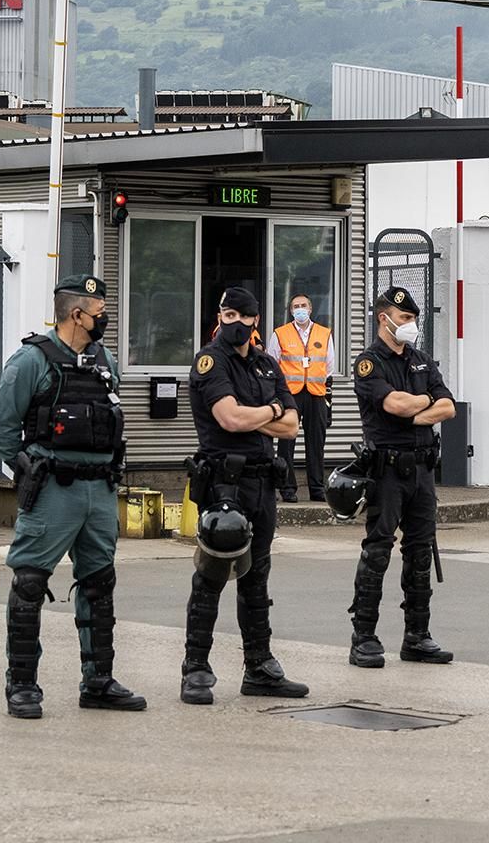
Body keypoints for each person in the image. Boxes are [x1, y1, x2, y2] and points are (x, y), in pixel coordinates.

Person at [0, 274, 145, 720]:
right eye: (99, 312)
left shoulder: (104, 360)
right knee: (30, 583)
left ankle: (98, 681)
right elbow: (3, 434)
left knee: (99, 583)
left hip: (99, 488)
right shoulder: (31, 361)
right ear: (76, 314)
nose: (104, 319)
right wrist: (29, 473)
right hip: (53, 489)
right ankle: (21, 685)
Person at [181, 286, 309, 705]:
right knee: (213, 575)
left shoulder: (267, 364)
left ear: (256, 319)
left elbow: (293, 426)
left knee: (257, 578)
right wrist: (270, 412)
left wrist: (267, 416)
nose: (233, 322)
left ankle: (260, 667)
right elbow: (230, 418)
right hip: (223, 485)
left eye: (241, 315)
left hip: (262, 483)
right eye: (226, 314)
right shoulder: (209, 361)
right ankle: (196, 668)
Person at [348, 286, 458, 669]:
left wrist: (415, 410)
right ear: (385, 318)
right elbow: (392, 403)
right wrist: (420, 403)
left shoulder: (421, 360)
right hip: (388, 471)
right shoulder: (369, 363)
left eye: (413, 318)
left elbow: (448, 406)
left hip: (423, 470)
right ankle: (364, 637)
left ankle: (417, 636)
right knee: (378, 551)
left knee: (420, 552)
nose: (411, 325)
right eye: (406, 318)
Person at [271, 294, 335, 504]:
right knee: (286, 442)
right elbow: (273, 363)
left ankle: (317, 488)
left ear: (310, 308)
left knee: (316, 443)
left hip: (316, 393)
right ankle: (287, 488)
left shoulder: (324, 334)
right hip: (290, 394)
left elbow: (329, 366)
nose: (300, 309)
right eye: (295, 306)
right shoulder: (280, 334)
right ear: (291, 312)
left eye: (303, 306)